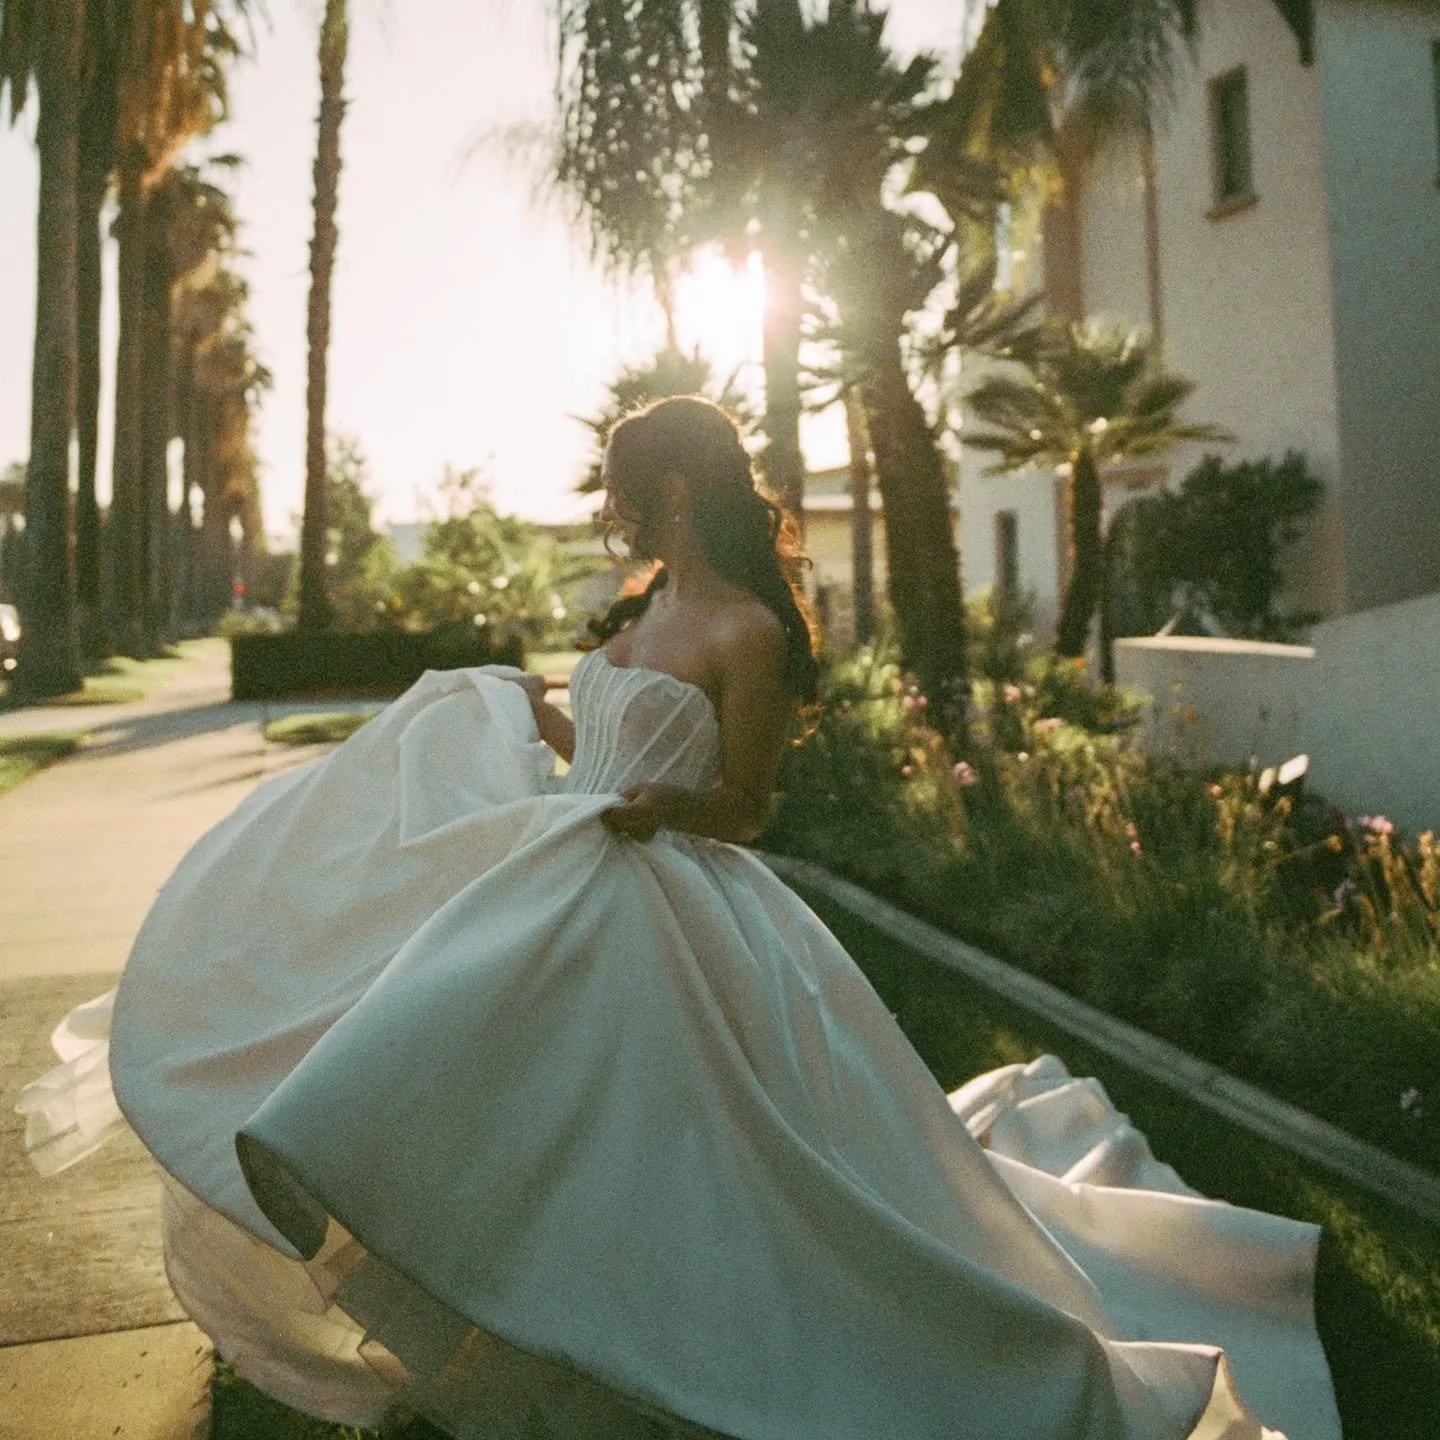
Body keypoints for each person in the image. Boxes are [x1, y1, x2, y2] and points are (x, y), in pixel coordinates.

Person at [19, 397, 1337, 1440]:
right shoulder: (651, 605)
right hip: (558, 871)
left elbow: (749, 805)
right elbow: (603, 733)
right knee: (442, 1073)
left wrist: (664, 807)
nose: (608, 515)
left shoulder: (752, 630)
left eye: (622, 492)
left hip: (665, 901)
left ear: (675, 491)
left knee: (681, 1157)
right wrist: (516, 710)